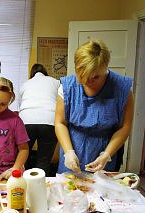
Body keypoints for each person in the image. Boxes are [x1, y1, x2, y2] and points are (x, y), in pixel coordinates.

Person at [55, 40, 134, 173]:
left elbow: (125, 127)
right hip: (73, 148)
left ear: (105, 68)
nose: (86, 81)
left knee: (101, 192)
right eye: (82, 76)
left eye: (94, 77)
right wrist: (68, 152)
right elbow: (60, 122)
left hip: (105, 151)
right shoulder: (67, 87)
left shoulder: (123, 89)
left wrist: (106, 155)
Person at [18, 64, 60, 176]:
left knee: (22, 157)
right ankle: (41, 187)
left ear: (32, 73)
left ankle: (21, 184)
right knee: (44, 160)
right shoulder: (55, 82)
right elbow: (61, 100)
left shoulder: (25, 84)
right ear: (45, 72)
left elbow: (20, 105)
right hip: (49, 120)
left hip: (26, 121)